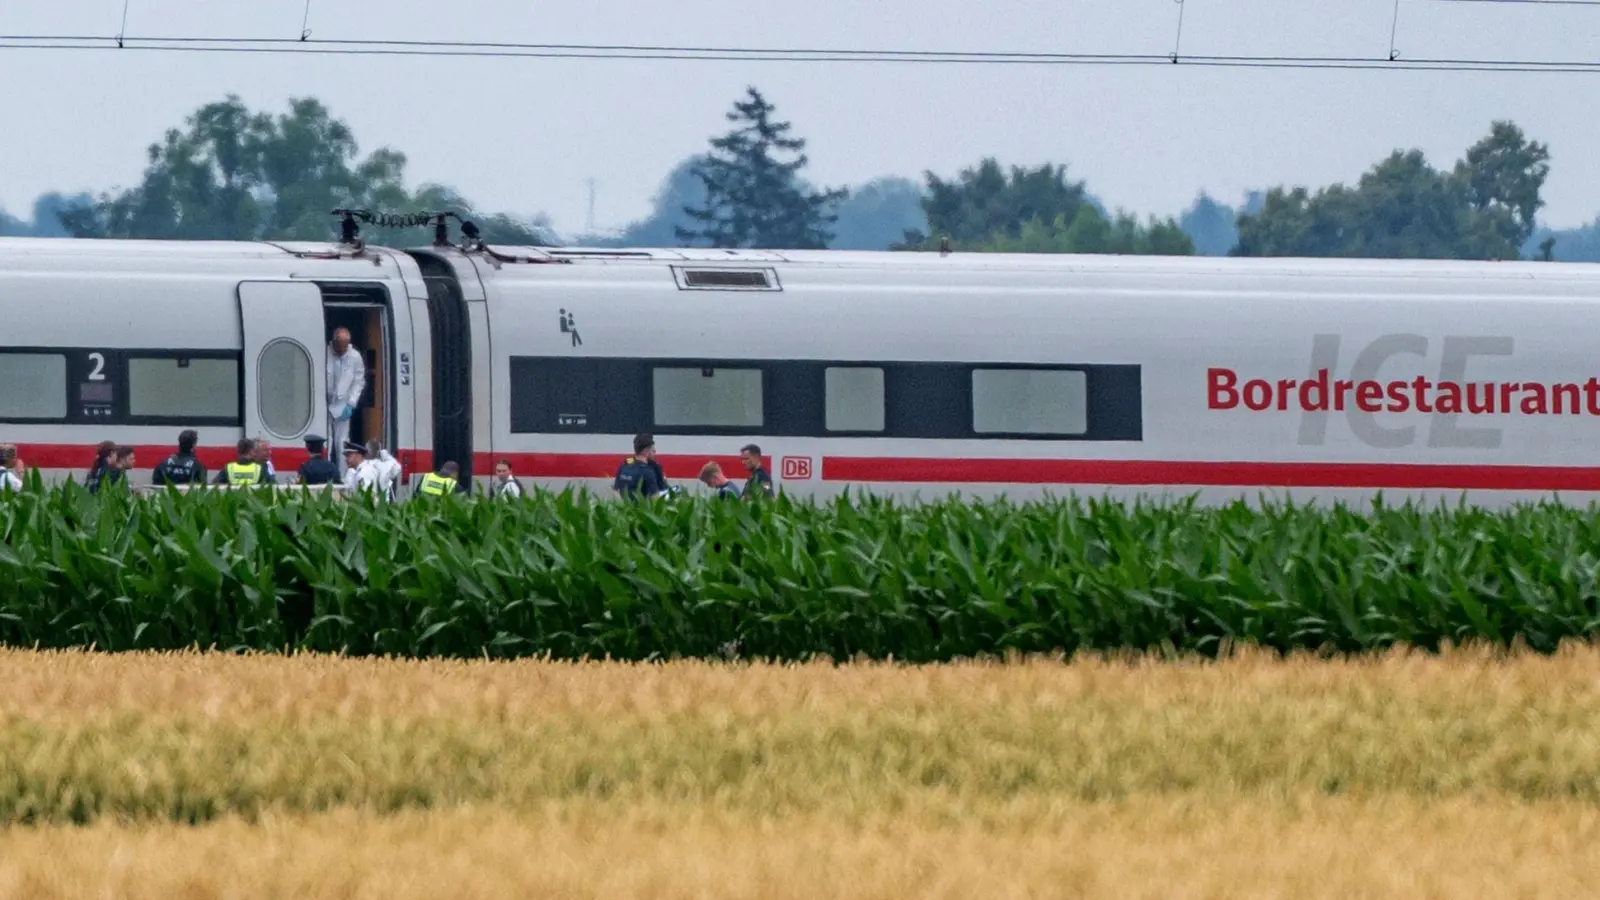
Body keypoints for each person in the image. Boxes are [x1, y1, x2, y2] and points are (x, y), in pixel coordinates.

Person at [326, 327, 366, 472]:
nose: (341, 351)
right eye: (338, 347)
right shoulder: (325, 352)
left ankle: (342, 475)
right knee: (327, 440)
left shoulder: (355, 356)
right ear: (334, 342)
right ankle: (325, 471)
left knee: (341, 441)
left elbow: (358, 381)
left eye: (344, 347)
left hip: (343, 404)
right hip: (325, 402)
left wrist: (351, 403)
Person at [614, 433, 667, 499]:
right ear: (646, 450)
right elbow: (655, 498)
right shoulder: (647, 472)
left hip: (626, 507)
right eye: (652, 449)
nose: (654, 451)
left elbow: (617, 491)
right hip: (642, 508)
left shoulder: (624, 465)